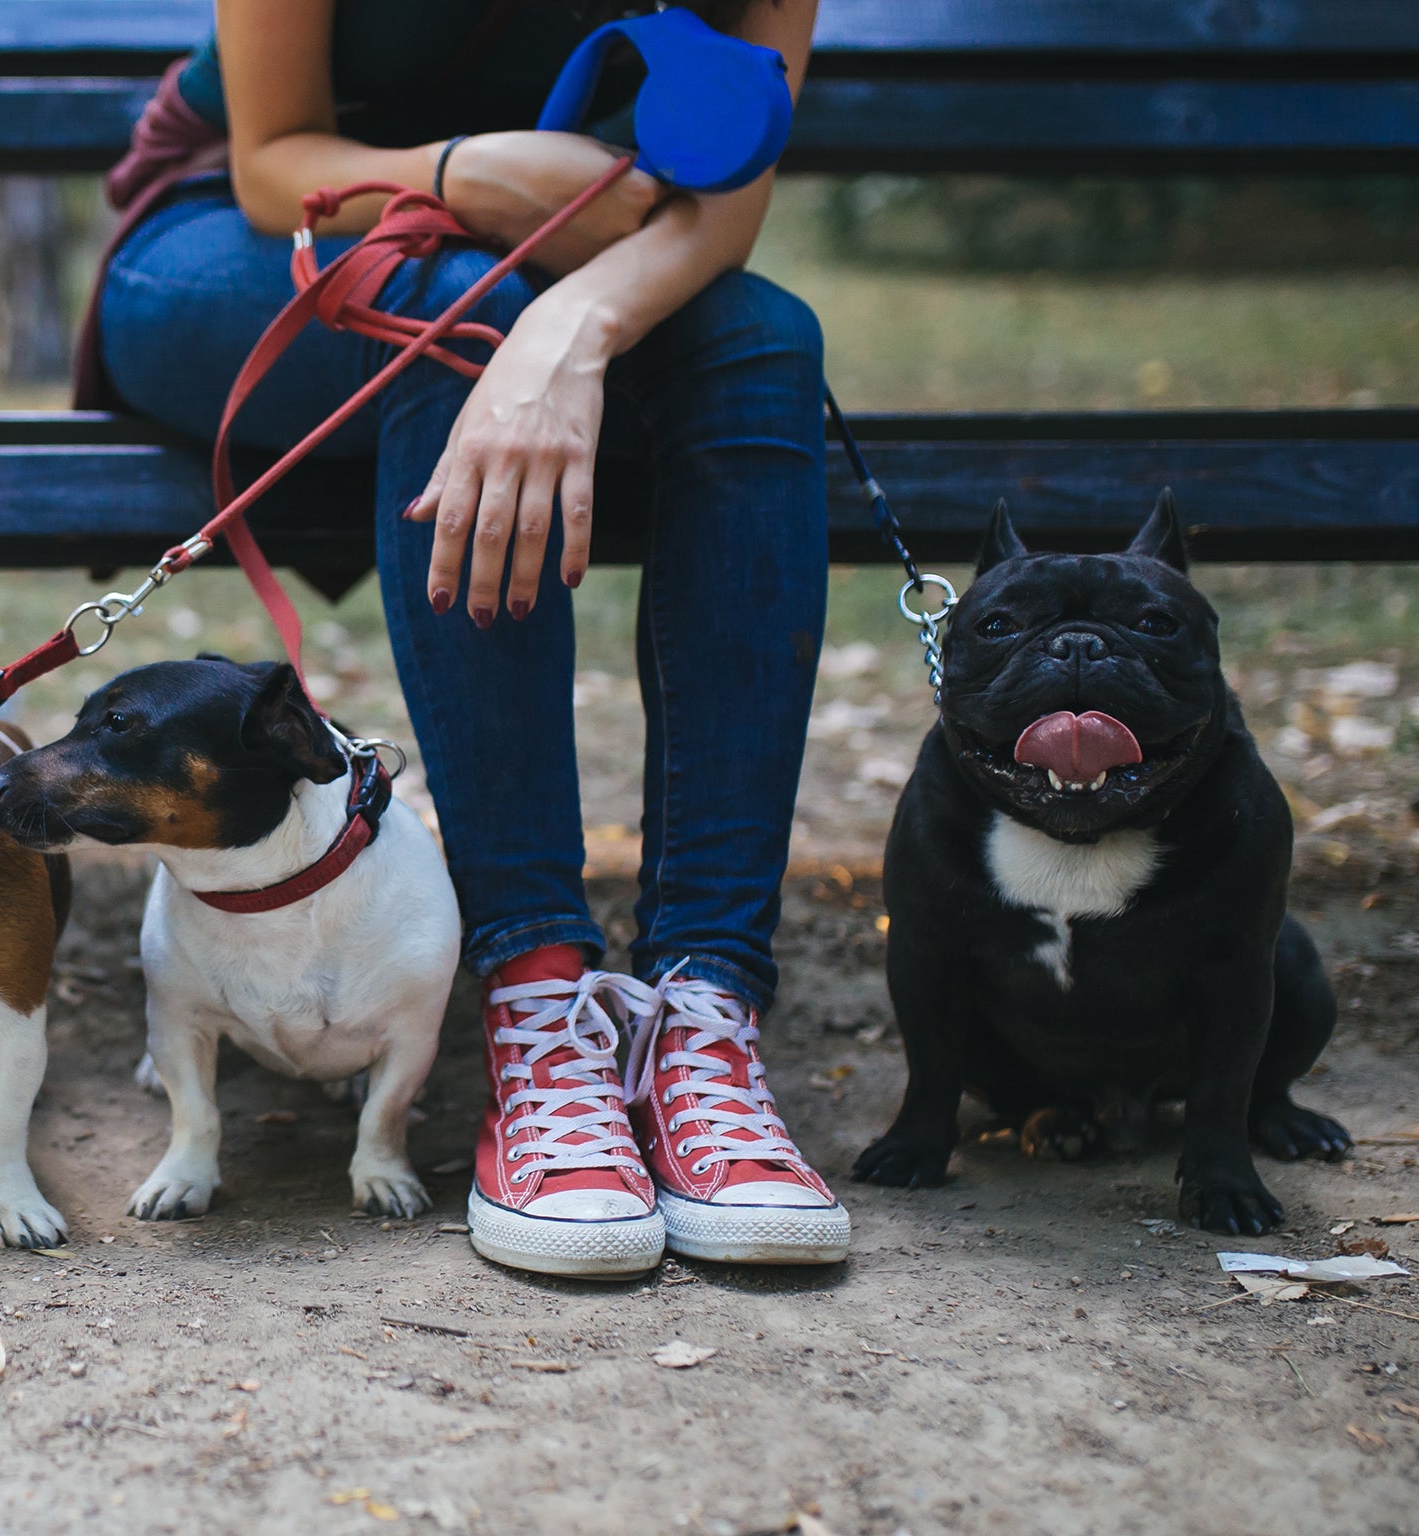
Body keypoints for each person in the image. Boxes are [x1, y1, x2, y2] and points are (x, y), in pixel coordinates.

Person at [86, 0, 848, 1276]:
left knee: (767, 341)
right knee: (462, 313)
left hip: (583, 261)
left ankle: (703, 1009)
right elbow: (273, 156)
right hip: (247, 230)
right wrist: (462, 176)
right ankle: (536, 995)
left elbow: (724, 205)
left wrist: (568, 329)